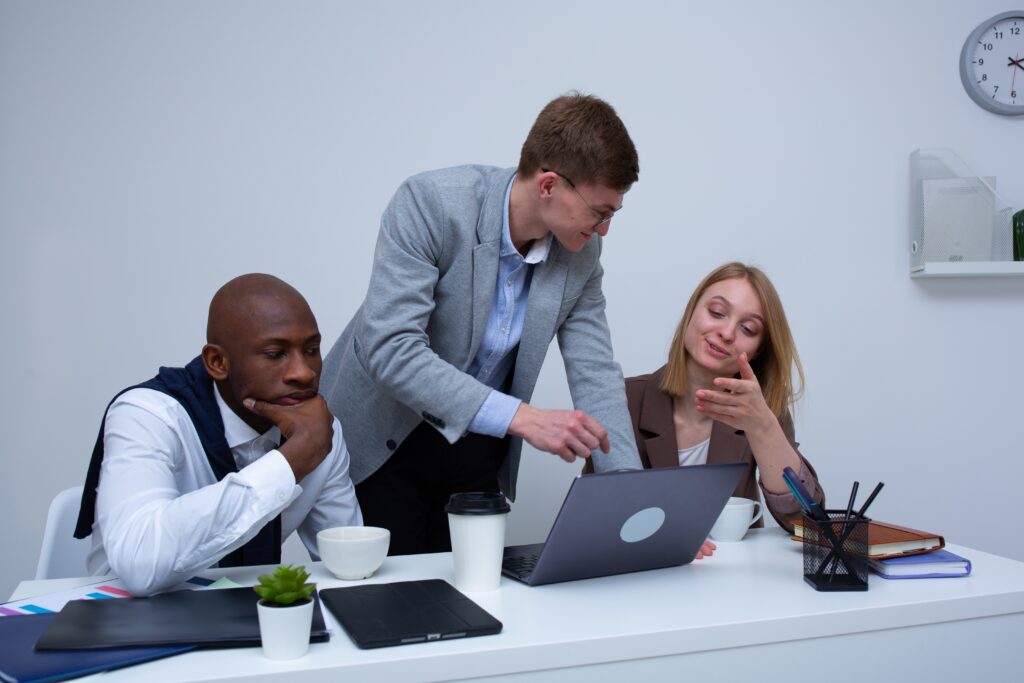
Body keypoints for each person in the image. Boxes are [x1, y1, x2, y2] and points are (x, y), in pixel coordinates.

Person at [320, 92, 643, 555]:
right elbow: (390, 349)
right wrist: (523, 417)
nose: (604, 229)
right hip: (384, 441)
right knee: (389, 608)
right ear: (549, 185)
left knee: (475, 601)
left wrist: (629, 499)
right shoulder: (431, 203)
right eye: (600, 212)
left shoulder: (582, 253)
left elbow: (596, 372)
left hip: (477, 448)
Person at [74, 274, 362, 596]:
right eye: (275, 353)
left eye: (311, 349)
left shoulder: (318, 430)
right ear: (217, 362)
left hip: (253, 623)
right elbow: (141, 563)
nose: (304, 372)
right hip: (127, 619)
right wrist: (290, 462)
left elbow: (347, 558)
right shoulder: (148, 415)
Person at [589, 262, 824, 535]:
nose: (726, 333)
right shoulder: (621, 399)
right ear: (691, 312)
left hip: (730, 574)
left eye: (748, 329)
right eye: (717, 312)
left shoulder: (761, 410)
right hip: (643, 572)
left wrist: (763, 428)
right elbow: (598, 513)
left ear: (759, 351)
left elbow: (806, 523)